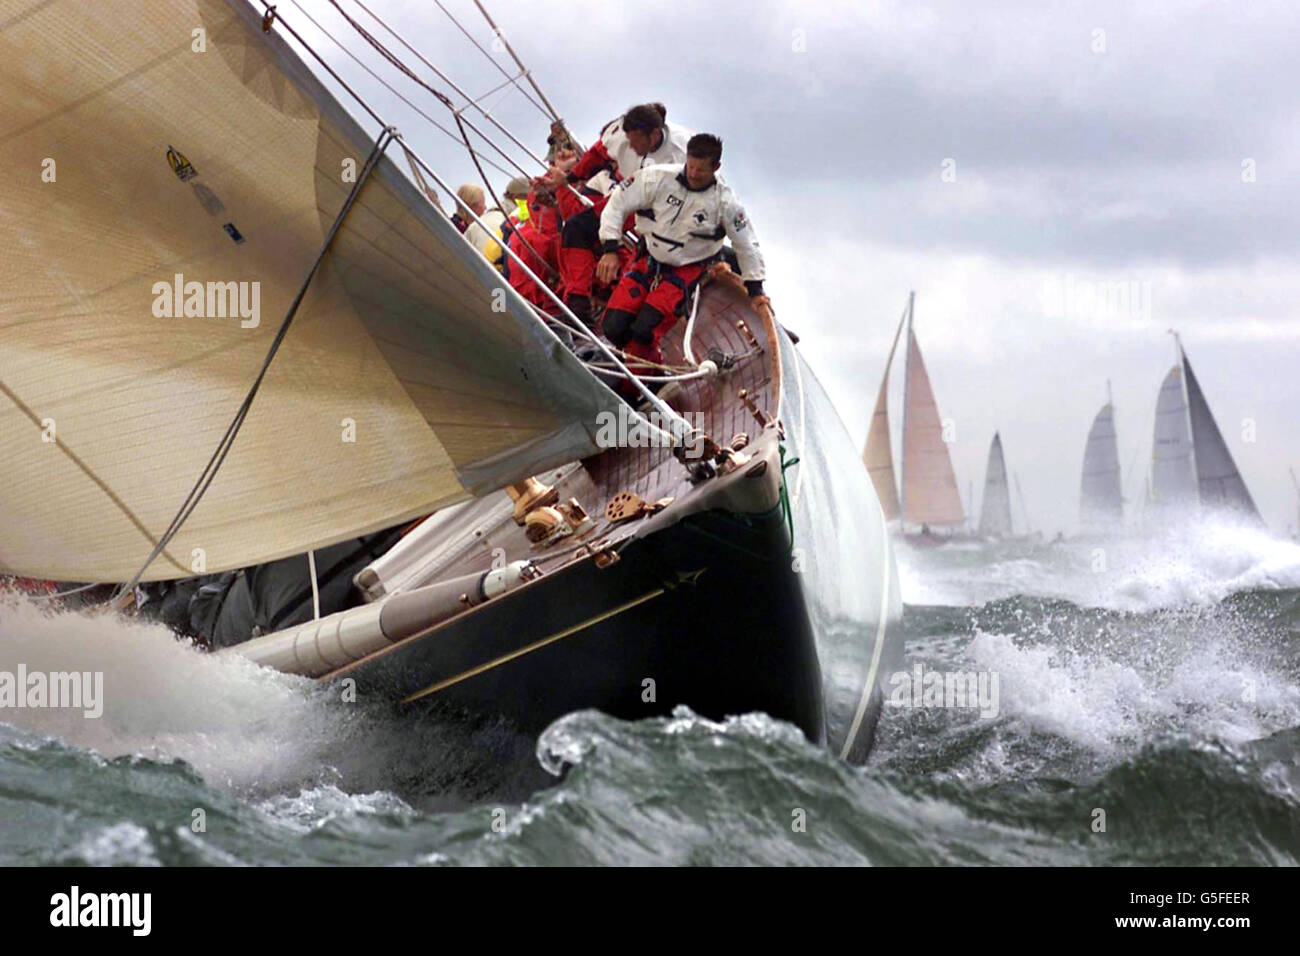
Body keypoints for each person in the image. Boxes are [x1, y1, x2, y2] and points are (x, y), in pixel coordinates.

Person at [595, 133, 769, 385]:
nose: (694, 173)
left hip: (684, 271)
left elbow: (747, 244)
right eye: (691, 165)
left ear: (715, 167)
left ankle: (647, 380)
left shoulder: (726, 203)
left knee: (645, 329)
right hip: (649, 261)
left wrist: (755, 289)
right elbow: (618, 204)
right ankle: (642, 366)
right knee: (613, 326)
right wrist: (610, 247)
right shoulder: (657, 178)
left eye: (701, 169)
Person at [546, 103, 691, 325]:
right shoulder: (619, 137)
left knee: (657, 253)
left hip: (662, 207)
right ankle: (578, 306)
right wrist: (569, 179)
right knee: (577, 228)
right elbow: (594, 156)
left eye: (636, 141)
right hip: (630, 193)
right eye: (628, 140)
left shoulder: (682, 152)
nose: (631, 147)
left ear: (654, 134)